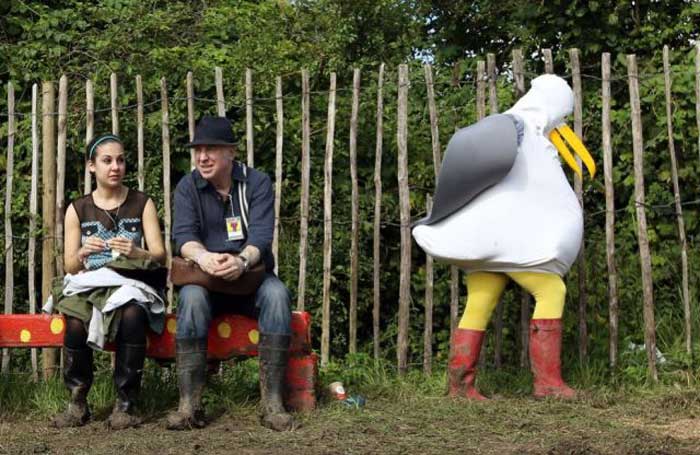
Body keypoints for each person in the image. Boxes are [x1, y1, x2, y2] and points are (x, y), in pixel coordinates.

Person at [412, 75, 596, 400]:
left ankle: (461, 386)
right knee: (551, 290)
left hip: (491, 242)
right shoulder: (517, 128)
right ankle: (548, 384)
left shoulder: (526, 132)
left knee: (480, 301)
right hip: (512, 241)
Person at [167, 116, 294, 431]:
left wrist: (241, 262)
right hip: (205, 282)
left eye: (211, 149)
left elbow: (261, 237)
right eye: (198, 150)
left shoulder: (257, 183)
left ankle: (273, 405)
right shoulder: (187, 186)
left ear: (231, 152)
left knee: (278, 294)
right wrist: (204, 257)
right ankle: (189, 406)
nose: (202, 157)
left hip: (251, 280)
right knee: (191, 298)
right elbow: (183, 237)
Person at [52, 134, 167, 429]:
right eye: (107, 161)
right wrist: (82, 252)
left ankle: (126, 405)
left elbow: (159, 255)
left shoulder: (142, 203)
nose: (115, 167)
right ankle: (77, 404)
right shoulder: (78, 208)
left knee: (132, 315)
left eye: (120, 160)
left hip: (132, 281)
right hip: (92, 283)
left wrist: (136, 251)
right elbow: (70, 265)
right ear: (92, 166)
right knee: (75, 320)